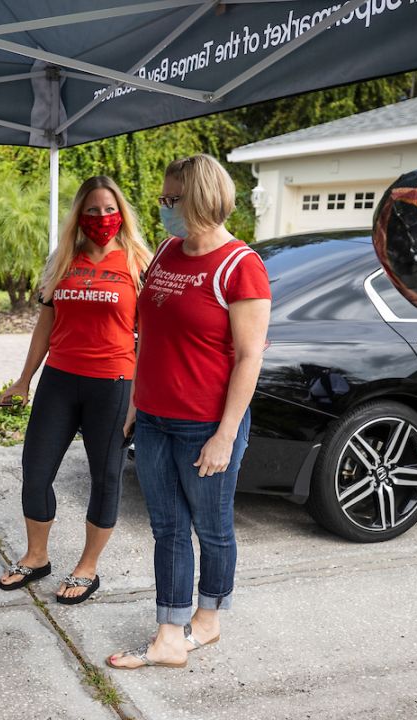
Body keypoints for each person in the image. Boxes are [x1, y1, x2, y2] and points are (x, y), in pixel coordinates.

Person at [107, 154, 271, 669]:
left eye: (170, 200)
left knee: (213, 527)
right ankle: (170, 634)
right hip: (154, 418)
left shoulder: (240, 266)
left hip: (205, 424)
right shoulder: (165, 251)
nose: (163, 208)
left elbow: (250, 357)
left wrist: (225, 435)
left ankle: (209, 620)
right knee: (168, 528)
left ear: (199, 199)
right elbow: (148, 336)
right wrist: (135, 401)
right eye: (162, 199)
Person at [0, 176, 152, 604]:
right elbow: (45, 323)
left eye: (108, 209)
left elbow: (151, 337)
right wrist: (24, 378)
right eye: (92, 210)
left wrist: (138, 399)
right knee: (36, 470)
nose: (101, 218)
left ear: (120, 212)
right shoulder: (63, 259)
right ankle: (36, 556)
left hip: (114, 383)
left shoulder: (139, 262)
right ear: (79, 216)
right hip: (60, 380)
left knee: (105, 479)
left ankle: (88, 567)